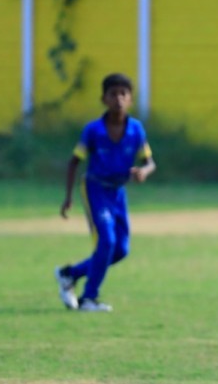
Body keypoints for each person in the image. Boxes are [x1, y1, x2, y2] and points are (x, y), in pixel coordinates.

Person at [55, 73, 156, 312]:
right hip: (95, 188)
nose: (118, 99)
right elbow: (74, 162)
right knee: (107, 241)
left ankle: (70, 274)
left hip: (118, 192)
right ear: (104, 99)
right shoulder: (94, 130)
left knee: (121, 250)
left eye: (123, 94)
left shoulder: (136, 130)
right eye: (113, 94)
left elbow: (150, 162)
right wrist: (68, 197)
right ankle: (88, 298)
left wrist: (143, 172)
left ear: (130, 99)